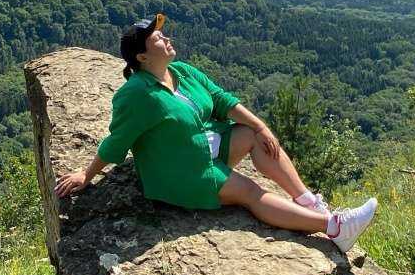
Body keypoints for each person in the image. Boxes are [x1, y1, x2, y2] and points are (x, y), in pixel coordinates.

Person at [53, 13, 378, 252]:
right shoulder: (138, 94)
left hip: (208, 147)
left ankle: (309, 203)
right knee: (250, 192)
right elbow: (116, 142)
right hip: (184, 173)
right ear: (141, 57)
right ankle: (335, 227)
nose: (168, 40)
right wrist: (86, 173)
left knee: (252, 135)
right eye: (158, 40)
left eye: (165, 36)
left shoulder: (179, 71)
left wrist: (260, 126)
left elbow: (222, 101)